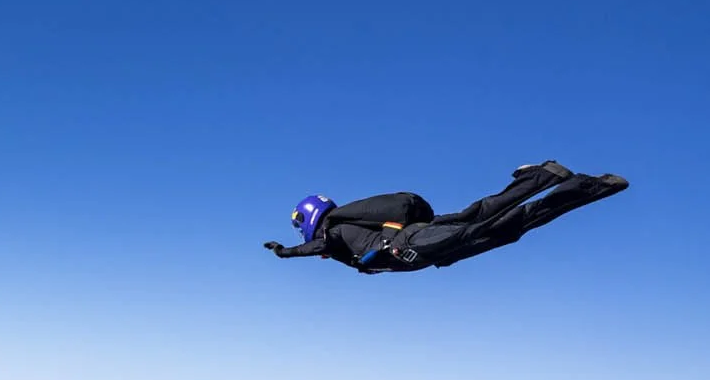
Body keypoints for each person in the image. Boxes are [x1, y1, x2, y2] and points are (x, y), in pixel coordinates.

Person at [265, 161, 626, 273]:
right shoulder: (346, 229)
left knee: (486, 222)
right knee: (505, 226)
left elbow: (323, 244)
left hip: (412, 244)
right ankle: (584, 187)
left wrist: (287, 254)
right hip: (428, 248)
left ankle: (550, 178)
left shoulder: (335, 229)